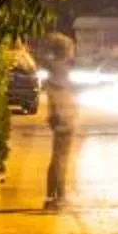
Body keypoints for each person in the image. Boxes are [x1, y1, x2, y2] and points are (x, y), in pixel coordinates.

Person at [42, 28, 80, 209]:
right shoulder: (61, 70)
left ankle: (52, 196)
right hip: (64, 119)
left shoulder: (54, 68)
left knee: (57, 158)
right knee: (61, 159)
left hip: (61, 118)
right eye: (71, 49)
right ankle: (58, 198)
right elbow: (60, 94)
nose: (73, 52)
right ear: (65, 51)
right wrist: (60, 116)